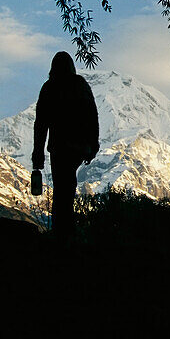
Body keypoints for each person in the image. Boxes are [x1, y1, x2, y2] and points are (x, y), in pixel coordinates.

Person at [32, 51, 100, 237]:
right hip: (78, 147)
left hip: (59, 147)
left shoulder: (49, 87)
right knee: (67, 186)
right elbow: (92, 115)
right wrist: (93, 145)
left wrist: (37, 153)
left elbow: (41, 123)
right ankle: (66, 231)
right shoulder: (80, 85)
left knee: (61, 188)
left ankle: (61, 231)